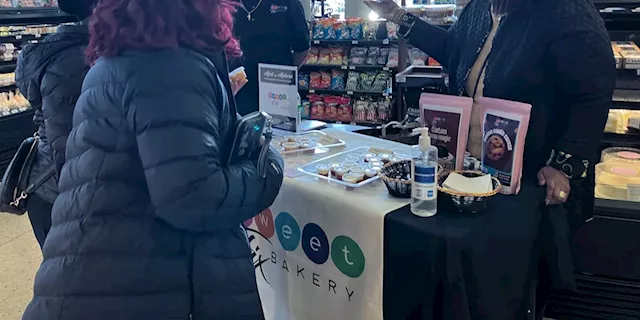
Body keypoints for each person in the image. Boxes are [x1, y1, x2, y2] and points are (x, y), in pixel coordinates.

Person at [22, 0, 284, 319]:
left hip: (100, 274)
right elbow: (192, 198)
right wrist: (266, 167)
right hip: (139, 283)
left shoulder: (122, 55)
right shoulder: (172, 64)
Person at [365, 0, 615, 318]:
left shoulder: (565, 10)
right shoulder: (481, 9)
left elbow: (592, 88)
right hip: (470, 170)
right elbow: (451, 47)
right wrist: (395, 14)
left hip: (527, 179)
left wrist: (565, 163)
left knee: (500, 280)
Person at [14, 0, 96, 249]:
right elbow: (67, 146)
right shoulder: (78, 58)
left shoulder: (52, 51)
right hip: (62, 192)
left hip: (45, 183)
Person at [232, 0, 311, 115]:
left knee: (280, 130)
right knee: (238, 130)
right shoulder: (225, 4)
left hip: (277, 91)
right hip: (238, 91)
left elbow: (302, 48)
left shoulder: (288, 3)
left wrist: (283, 74)